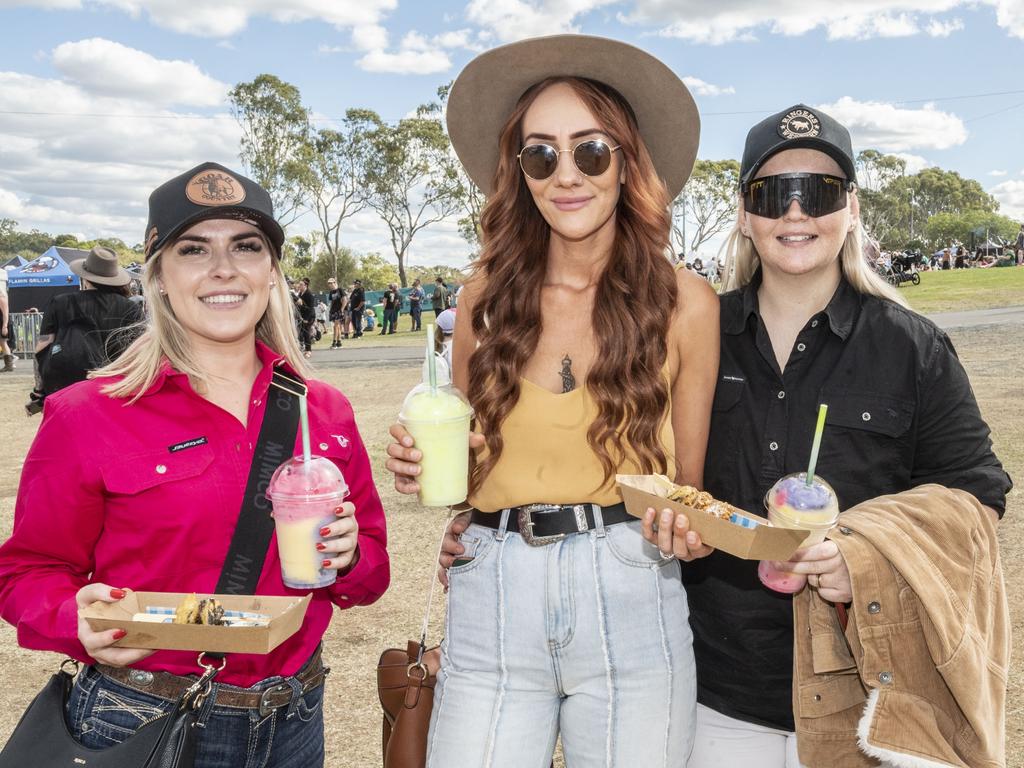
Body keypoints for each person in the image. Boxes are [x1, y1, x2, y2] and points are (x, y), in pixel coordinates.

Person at [385, 35, 718, 767]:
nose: (565, 175)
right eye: (541, 155)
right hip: (493, 592)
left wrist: (688, 528)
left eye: (590, 151)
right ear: (519, 171)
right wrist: (426, 467)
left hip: (631, 587)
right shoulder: (482, 301)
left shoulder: (686, 303)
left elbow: (691, 490)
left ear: (626, 161)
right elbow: (468, 467)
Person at [650, 104, 1011, 767]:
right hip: (717, 701)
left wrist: (867, 554)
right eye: (772, 194)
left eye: (819, 193)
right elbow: (621, 457)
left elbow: (977, 496)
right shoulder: (691, 335)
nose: (795, 214)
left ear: (850, 210)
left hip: (868, 698)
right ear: (743, 213)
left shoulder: (913, 348)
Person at [0, 161, 390, 767]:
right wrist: (71, 617)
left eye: (247, 246)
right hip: (141, 719)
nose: (224, 269)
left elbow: (369, 575)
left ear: (272, 272)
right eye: (193, 249)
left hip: (295, 720)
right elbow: (27, 572)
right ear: (156, 278)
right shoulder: (87, 413)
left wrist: (349, 555)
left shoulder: (324, 412)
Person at [31, 246, 144, 402]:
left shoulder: (61, 302)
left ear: (85, 277)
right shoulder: (129, 307)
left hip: (65, 386)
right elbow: (138, 351)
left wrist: (39, 390)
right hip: (114, 385)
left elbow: (41, 348)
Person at [292, 278, 316, 357]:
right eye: (299, 284)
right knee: (300, 333)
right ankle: (303, 348)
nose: (299, 286)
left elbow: (311, 308)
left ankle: (308, 350)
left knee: (306, 333)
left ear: (306, 285)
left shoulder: (309, 294)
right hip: (301, 317)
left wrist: (306, 319)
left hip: (309, 317)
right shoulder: (300, 294)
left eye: (301, 284)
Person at [327, 277, 345, 349]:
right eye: (329, 283)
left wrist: (342, 309)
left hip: (339, 310)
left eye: (331, 283)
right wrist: (330, 310)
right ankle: (339, 342)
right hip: (333, 311)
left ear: (335, 283)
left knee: (335, 326)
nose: (330, 285)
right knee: (337, 326)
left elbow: (345, 299)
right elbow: (332, 302)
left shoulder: (340, 290)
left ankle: (334, 343)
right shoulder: (331, 292)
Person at [0, 266, 12, 372]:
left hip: (2, 320)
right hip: (2, 320)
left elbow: (5, 309)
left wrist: (4, 325)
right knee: (3, 343)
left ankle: (9, 365)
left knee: (3, 342)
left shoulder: (2, 297)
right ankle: (9, 365)